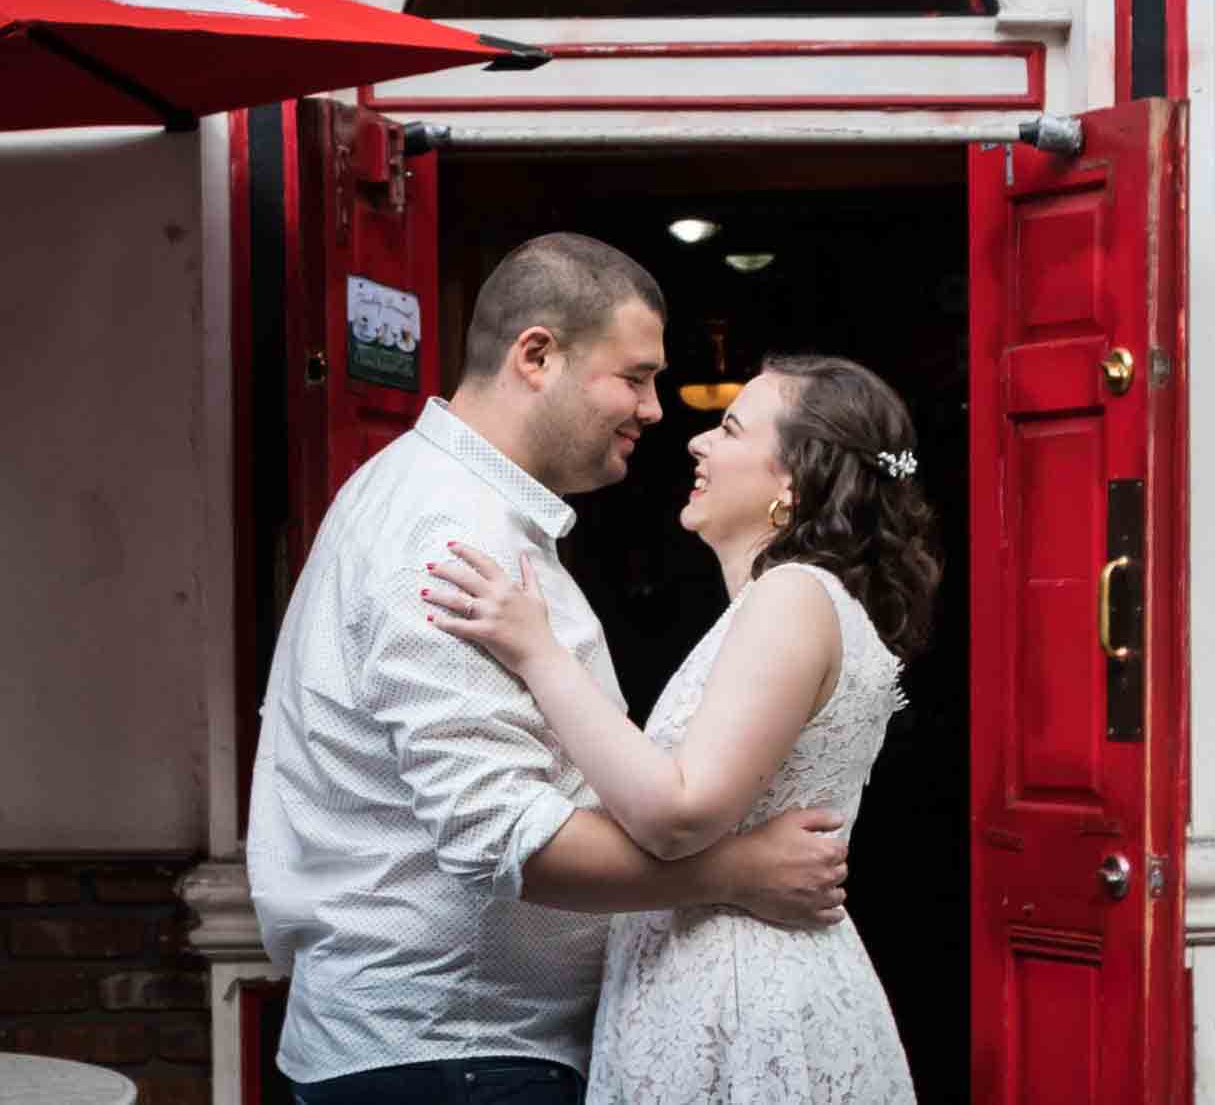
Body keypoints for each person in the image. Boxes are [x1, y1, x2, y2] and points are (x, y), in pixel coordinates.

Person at [246, 234, 850, 1105]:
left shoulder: (449, 499)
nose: (655, 408)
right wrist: (738, 871)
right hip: (454, 1056)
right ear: (537, 354)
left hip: (465, 1054)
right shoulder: (450, 533)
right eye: (635, 376)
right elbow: (507, 834)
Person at [425, 353, 938, 1104]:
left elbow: (679, 811)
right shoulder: (783, 604)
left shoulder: (792, 595)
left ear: (793, 482)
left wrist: (536, 650)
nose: (697, 442)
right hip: (718, 978)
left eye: (730, 428)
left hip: (742, 996)